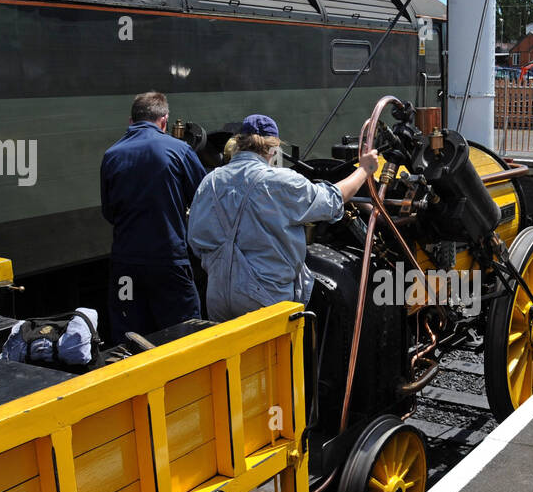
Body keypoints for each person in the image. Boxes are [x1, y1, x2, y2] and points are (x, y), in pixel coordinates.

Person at [187, 114, 376, 322]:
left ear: (239, 143)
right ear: (273, 147)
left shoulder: (210, 182)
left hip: (218, 295)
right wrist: (364, 170)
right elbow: (331, 200)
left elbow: (196, 240)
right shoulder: (280, 181)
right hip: (265, 298)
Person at [100, 91, 206, 340]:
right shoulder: (179, 150)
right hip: (168, 260)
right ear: (164, 121)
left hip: (125, 265)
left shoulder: (111, 155)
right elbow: (202, 199)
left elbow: (109, 211)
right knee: (184, 333)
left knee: (130, 334)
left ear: (131, 121)